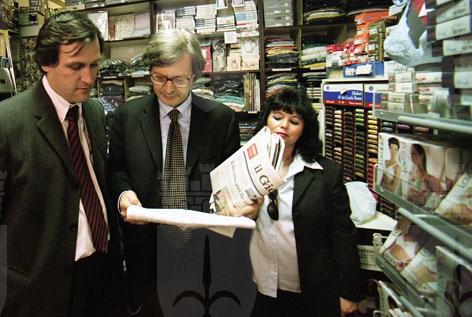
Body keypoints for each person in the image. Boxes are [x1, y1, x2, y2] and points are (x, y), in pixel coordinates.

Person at [0, 11, 120, 316]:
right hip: (40, 291)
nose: (89, 78)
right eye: (76, 66)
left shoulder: (93, 112)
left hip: (100, 277)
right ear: (46, 63)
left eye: (94, 65)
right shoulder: (0, 125)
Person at [109, 29, 255, 316]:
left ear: (195, 75)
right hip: (146, 250)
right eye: (159, 77)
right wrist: (124, 194)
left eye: (179, 79)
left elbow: (231, 181)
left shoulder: (221, 120)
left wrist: (242, 202)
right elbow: (116, 170)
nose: (167, 89)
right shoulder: (127, 116)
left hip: (204, 251)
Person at [246, 86, 361, 317]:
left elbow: (343, 234)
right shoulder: (246, 166)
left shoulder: (326, 173)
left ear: (304, 129)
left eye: (294, 121)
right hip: (261, 286)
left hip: (312, 291)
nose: (283, 126)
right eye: (277, 117)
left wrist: (349, 293)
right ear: (266, 121)